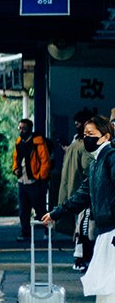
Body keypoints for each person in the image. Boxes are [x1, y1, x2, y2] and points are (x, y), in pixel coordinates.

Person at [44, 115, 115, 303]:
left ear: (105, 137)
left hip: (113, 231)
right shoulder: (95, 164)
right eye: (85, 135)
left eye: (91, 135)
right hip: (106, 232)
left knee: (110, 286)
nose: (87, 139)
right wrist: (56, 213)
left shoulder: (111, 159)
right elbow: (81, 196)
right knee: (108, 287)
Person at [58, 108, 97, 271]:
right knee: (84, 227)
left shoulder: (75, 144)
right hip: (83, 194)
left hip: (72, 191)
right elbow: (89, 170)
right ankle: (81, 258)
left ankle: (80, 257)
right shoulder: (85, 146)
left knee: (80, 226)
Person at [13, 118, 53, 241]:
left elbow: (45, 161)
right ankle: (25, 233)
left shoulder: (38, 142)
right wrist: (15, 169)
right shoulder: (19, 142)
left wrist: (40, 177)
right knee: (23, 210)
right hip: (22, 180)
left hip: (35, 181)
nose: (21, 131)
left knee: (40, 209)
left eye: (24, 128)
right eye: (20, 128)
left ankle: (48, 231)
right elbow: (15, 158)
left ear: (30, 129)